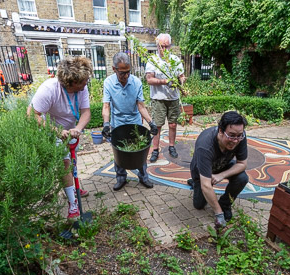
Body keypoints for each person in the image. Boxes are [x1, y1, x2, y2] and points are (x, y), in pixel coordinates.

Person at [27, 56, 92, 219]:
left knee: (72, 161)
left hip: (71, 131)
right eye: (83, 81)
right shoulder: (49, 89)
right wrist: (56, 130)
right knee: (64, 164)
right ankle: (72, 204)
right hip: (51, 131)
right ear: (71, 83)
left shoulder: (82, 88)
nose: (86, 83)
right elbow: (32, 114)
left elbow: (86, 112)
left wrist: (77, 129)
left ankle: (73, 188)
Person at [102, 52, 158, 191]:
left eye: (128, 72)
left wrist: (151, 123)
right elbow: (106, 106)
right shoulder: (108, 83)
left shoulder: (136, 82)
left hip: (134, 122)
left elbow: (141, 106)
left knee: (139, 151)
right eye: (122, 73)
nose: (126, 76)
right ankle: (121, 178)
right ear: (114, 69)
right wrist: (106, 124)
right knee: (119, 152)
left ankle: (144, 177)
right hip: (118, 123)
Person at [188, 111, 249, 229]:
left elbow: (242, 164)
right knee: (199, 205)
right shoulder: (205, 146)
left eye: (239, 136)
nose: (235, 140)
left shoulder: (240, 137)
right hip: (201, 169)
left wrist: (221, 175)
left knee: (242, 178)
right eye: (231, 135)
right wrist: (219, 215)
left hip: (223, 165)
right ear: (221, 131)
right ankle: (195, 182)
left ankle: (225, 204)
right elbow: (206, 185)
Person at [145, 33, 186, 163]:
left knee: (173, 124)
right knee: (157, 126)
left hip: (173, 98)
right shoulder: (153, 61)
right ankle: (155, 150)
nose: (163, 49)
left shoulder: (175, 60)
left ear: (170, 46)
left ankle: (172, 147)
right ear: (157, 46)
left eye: (166, 46)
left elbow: (182, 76)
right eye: (161, 46)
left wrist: (181, 82)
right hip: (158, 98)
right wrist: (165, 81)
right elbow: (149, 79)